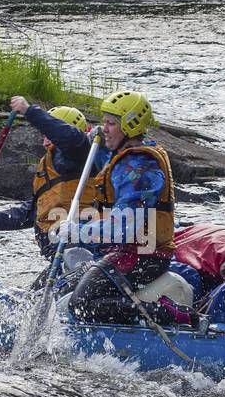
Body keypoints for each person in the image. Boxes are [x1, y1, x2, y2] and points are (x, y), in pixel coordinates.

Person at [68, 89, 188, 325]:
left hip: (143, 255)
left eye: (111, 123)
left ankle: (164, 312)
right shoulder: (124, 156)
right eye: (103, 122)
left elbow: (126, 227)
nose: (104, 129)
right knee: (66, 282)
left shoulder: (140, 169)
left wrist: (79, 232)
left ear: (130, 126)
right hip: (125, 252)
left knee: (81, 304)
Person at [0, 97, 97, 257]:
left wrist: (30, 112)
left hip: (80, 249)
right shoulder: (48, 166)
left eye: (49, 135)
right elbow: (28, 214)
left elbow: (70, 138)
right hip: (57, 254)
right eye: (44, 136)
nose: (44, 143)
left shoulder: (80, 156)